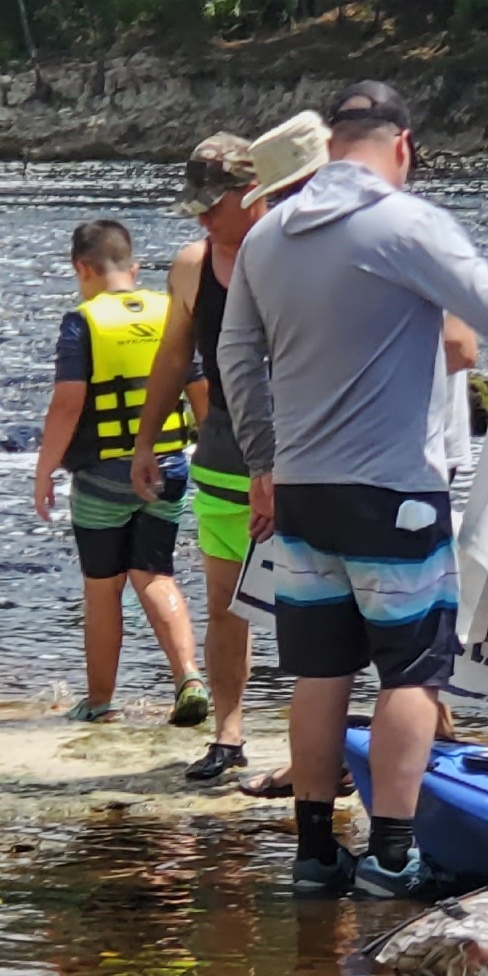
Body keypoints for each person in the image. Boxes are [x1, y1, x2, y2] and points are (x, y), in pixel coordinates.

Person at [224, 81, 488, 896]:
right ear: (402, 146)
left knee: (320, 674)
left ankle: (316, 855)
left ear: (330, 144)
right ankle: (392, 854)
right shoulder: (406, 222)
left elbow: (236, 361)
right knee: (410, 674)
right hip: (395, 491)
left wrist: (264, 463)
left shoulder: (267, 235)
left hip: (303, 490)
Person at [132, 127, 285, 780]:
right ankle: (228, 734)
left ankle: (332, 739)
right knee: (226, 602)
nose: (200, 214)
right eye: (194, 202)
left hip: (304, 452)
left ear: (255, 194)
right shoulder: (194, 265)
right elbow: (174, 354)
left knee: (318, 604)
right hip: (222, 449)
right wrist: (146, 439)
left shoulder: (293, 256)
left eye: (211, 201)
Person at [33, 217, 208, 725]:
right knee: (155, 572)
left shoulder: (82, 321)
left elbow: (67, 405)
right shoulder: (168, 309)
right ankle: (190, 678)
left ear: (80, 268)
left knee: (103, 586)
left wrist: (44, 471)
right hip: (170, 465)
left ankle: (100, 701)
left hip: (103, 474)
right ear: (133, 268)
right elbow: (201, 394)